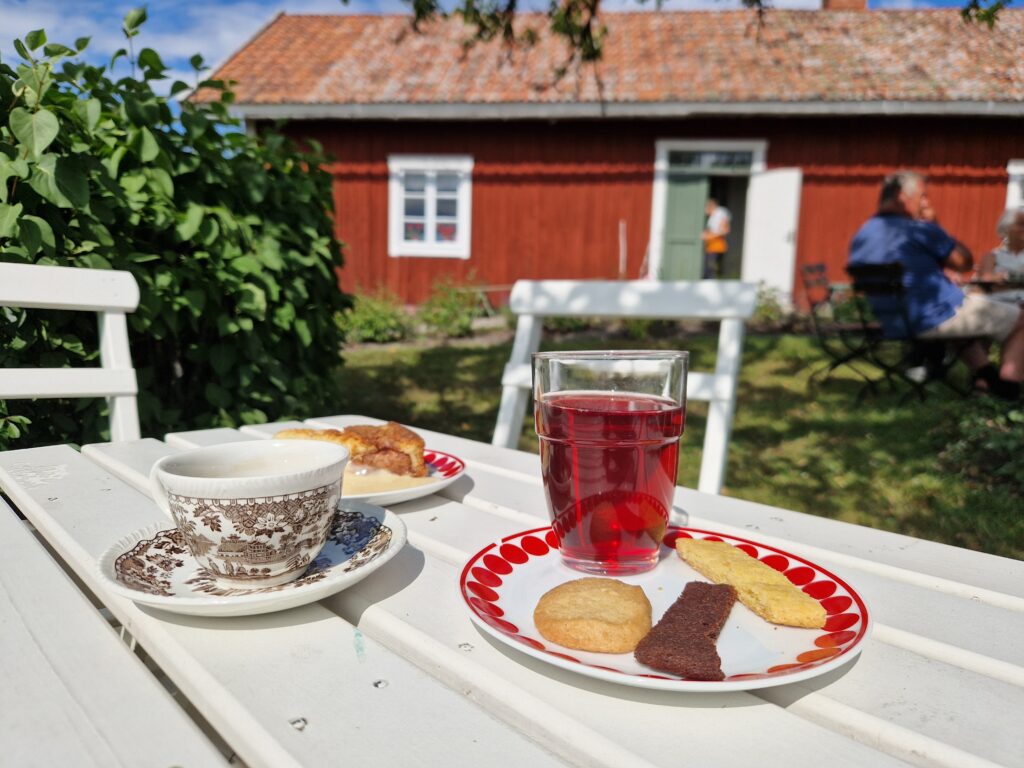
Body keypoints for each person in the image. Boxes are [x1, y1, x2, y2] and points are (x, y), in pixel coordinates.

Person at [847, 171, 1024, 400]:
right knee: (1021, 319)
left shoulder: (864, 233)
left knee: (965, 321)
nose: (925, 203)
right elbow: (964, 263)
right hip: (930, 318)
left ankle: (988, 380)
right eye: (922, 197)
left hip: (894, 320)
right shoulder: (918, 229)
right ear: (902, 197)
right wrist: (934, 224)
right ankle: (1009, 390)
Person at [977, 207, 1024, 305]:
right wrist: (1012, 276)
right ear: (1006, 229)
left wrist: (1001, 278)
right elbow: (986, 280)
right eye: (1020, 225)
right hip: (998, 307)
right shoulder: (991, 256)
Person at [701, 197, 730, 279]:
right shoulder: (711, 218)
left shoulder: (721, 215)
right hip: (709, 247)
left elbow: (725, 230)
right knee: (706, 271)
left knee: (711, 271)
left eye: (707, 207)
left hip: (717, 247)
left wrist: (710, 236)